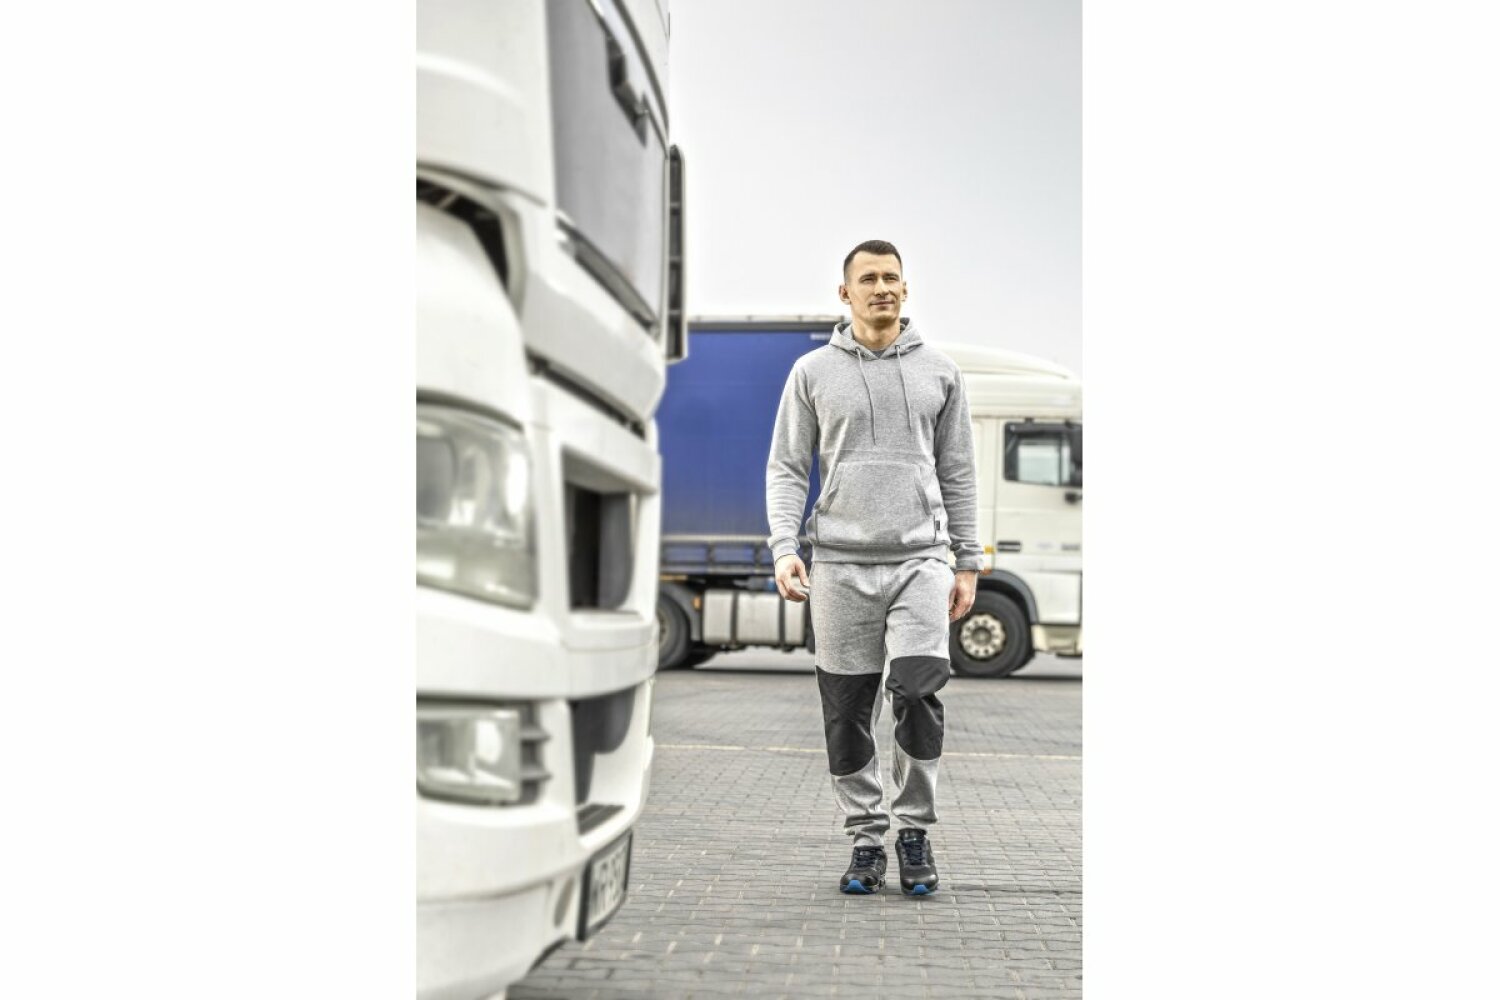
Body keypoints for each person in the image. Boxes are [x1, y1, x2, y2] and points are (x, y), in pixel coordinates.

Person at [765, 239, 982, 895]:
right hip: (838, 565)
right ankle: (865, 839)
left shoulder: (940, 372)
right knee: (846, 709)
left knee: (916, 692)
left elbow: (959, 471)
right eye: (869, 278)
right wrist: (784, 546)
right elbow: (787, 467)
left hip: (920, 560)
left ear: (905, 289)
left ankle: (913, 831)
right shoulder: (811, 372)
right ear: (845, 293)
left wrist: (967, 561)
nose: (882, 287)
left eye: (892, 277)